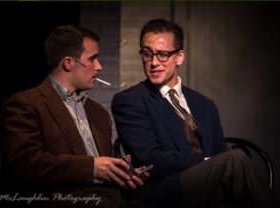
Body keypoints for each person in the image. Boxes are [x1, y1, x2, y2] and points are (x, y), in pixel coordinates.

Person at [112, 18, 278, 208]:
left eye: (163, 54)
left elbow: (220, 152)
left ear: (180, 57)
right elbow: (150, 159)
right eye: (147, 54)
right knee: (236, 159)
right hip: (164, 188)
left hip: (210, 184)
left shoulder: (204, 104)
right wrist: (207, 162)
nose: (154, 62)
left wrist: (216, 164)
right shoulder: (130, 100)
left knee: (234, 165)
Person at [0, 24, 155, 208]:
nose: (99, 67)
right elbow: (26, 163)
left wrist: (122, 173)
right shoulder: (27, 103)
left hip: (111, 198)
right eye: (93, 59)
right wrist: (93, 168)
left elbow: (103, 169)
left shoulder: (99, 113)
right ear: (69, 63)